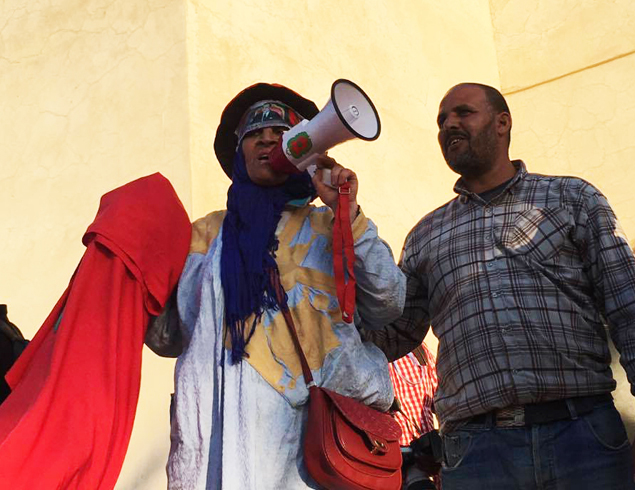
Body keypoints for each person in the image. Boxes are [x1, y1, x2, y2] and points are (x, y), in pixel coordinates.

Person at [364, 82, 635, 489]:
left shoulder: (570, 198)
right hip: (477, 453)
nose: (448, 125)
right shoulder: (425, 235)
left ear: (502, 122)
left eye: (462, 113)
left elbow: (627, 306)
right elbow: (396, 333)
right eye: (441, 120)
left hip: (583, 437)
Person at [146, 83, 405, 489]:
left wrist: (346, 213)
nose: (267, 138)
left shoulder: (330, 225)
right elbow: (166, 337)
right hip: (218, 442)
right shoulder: (202, 236)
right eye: (254, 133)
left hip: (310, 451)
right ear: (238, 153)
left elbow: (388, 302)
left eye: (281, 133)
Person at [389, 342, 439, 490]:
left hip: (425, 464)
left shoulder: (419, 350)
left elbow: (441, 400)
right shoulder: (364, 351)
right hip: (388, 463)